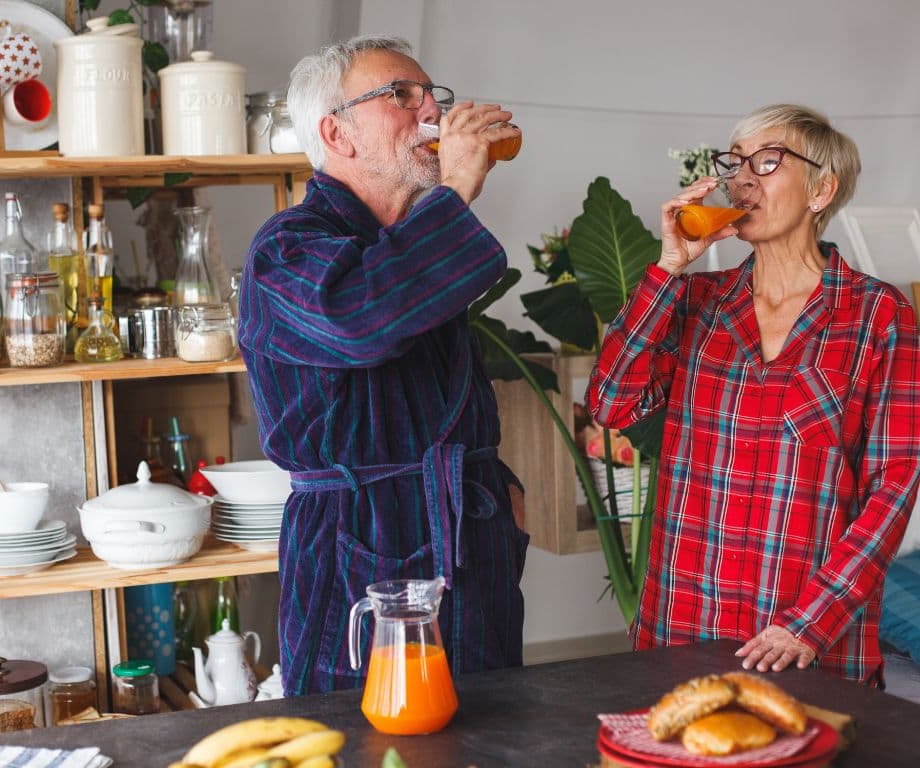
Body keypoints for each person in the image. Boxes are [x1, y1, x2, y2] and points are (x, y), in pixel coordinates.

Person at [587, 104, 920, 685]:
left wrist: (809, 624)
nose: (741, 179)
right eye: (735, 163)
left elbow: (893, 485)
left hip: (806, 640)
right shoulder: (695, 301)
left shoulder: (878, 315)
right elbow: (611, 403)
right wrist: (667, 269)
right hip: (682, 624)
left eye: (766, 162)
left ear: (821, 189)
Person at [237, 34, 528, 696]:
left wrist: (502, 491)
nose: (433, 111)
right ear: (336, 133)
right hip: (359, 547)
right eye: (401, 94)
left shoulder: (405, 246)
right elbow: (358, 320)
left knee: (494, 729)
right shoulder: (286, 246)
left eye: (432, 94)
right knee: (362, 735)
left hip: (469, 540)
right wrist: (458, 186)